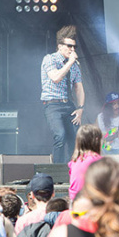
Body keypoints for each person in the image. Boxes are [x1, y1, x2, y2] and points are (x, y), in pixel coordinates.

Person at [41, 25, 85, 163]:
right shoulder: (50, 59)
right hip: (52, 105)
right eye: (69, 46)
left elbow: (79, 88)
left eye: (74, 47)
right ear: (60, 46)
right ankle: (57, 170)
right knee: (60, 135)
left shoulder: (75, 66)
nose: (72, 50)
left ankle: (71, 169)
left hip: (69, 104)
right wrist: (71, 62)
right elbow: (56, 78)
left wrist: (80, 108)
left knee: (75, 137)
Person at [68, 124, 102, 202]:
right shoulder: (97, 160)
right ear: (97, 140)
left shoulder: (74, 161)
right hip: (90, 202)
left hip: (74, 202)